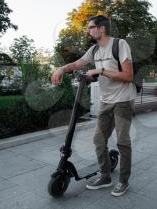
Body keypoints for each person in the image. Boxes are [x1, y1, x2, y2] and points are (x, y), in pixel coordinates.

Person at [51, 15, 136, 197]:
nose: (88, 30)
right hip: (106, 101)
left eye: (91, 27)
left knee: (122, 141)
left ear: (101, 29)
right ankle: (105, 176)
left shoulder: (119, 45)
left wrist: (101, 70)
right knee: (99, 140)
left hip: (123, 100)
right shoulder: (95, 50)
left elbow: (128, 76)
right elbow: (76, 63)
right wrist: (61, 69)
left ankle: (123, 181)